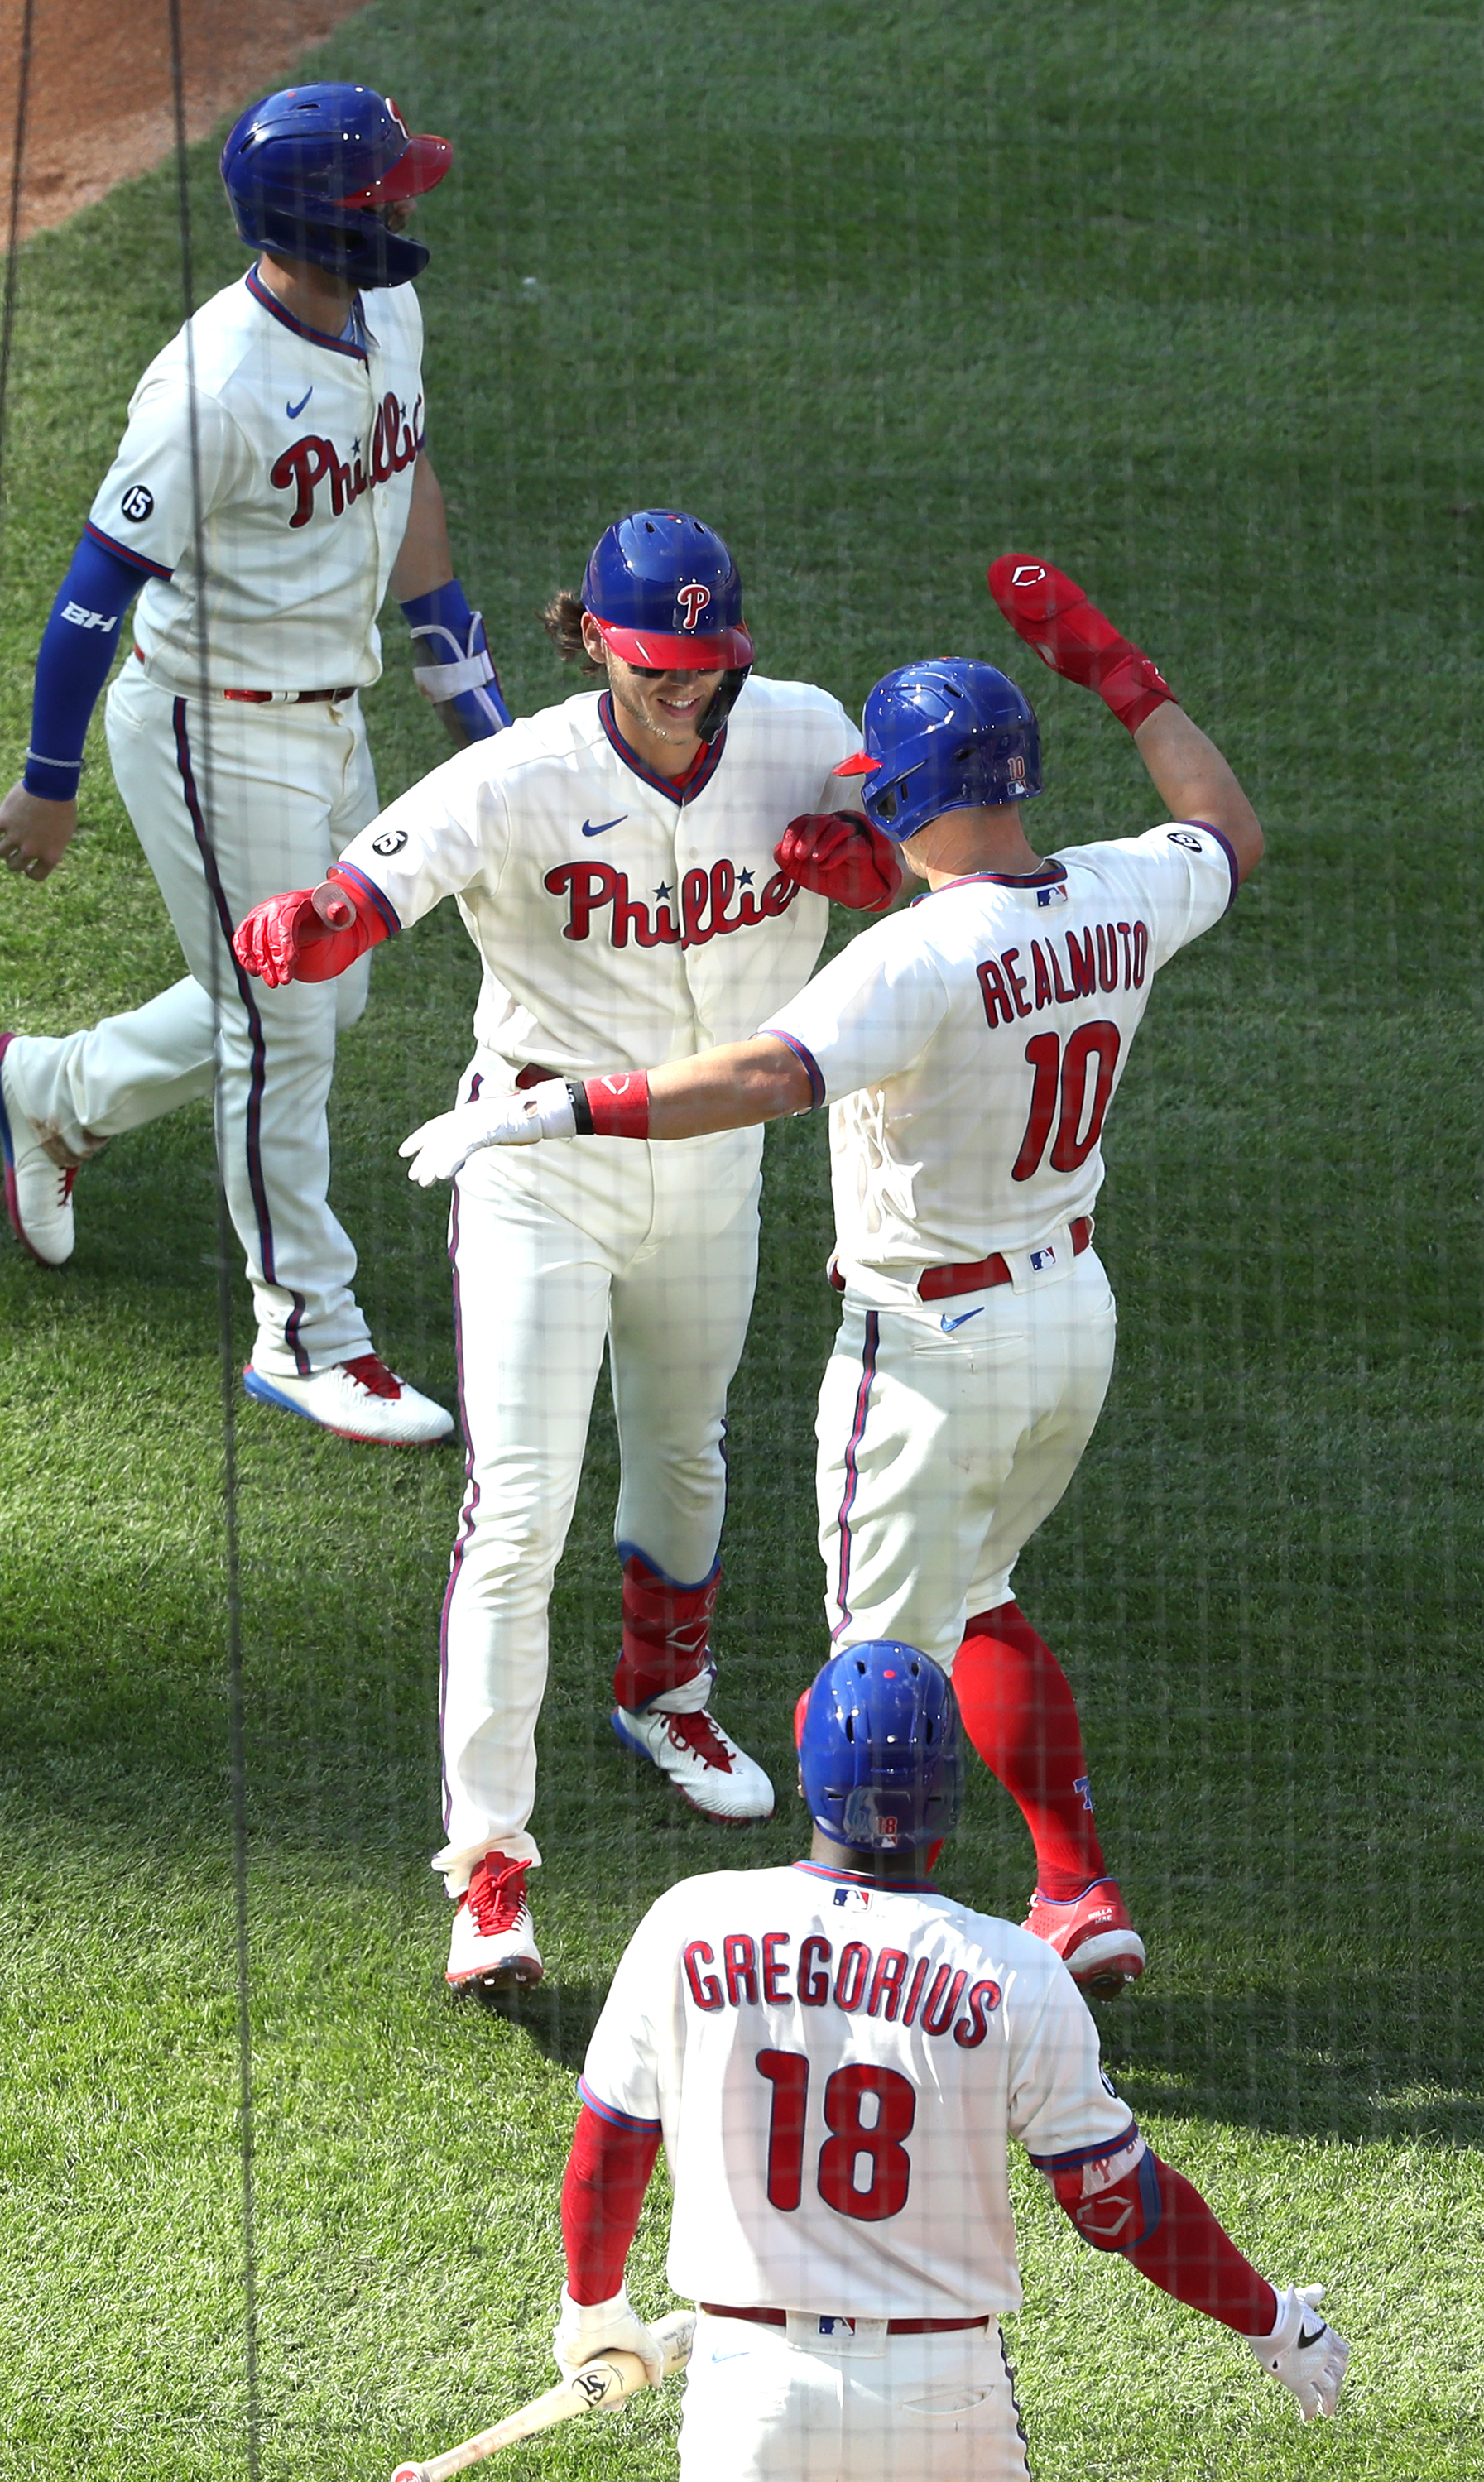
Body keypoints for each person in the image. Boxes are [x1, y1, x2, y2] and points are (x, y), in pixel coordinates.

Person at [396, 558, 1266, 1992]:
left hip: (930, 1349)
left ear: (909, 797)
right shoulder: (1129, 886)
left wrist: (556, 1105)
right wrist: (1124, 674)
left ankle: (865, 1958)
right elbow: (1224, 824)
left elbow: (753, 1074)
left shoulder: (919, 955)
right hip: (1073, 1319)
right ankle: (1077, 1885)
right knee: (981, 1591)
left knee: (874, 1679)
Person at [231, 510, 904, 1987]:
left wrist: (869, 853)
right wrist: (312, 926)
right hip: (539, 1161)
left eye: (707, 661)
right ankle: (488, 1866)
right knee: (520, 1503)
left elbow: (913, 846)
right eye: (657, 661)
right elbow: (374, 889)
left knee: (688, 1447)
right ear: (590, 635)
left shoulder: (798, 726)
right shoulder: (520, 770)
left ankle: (665, 1692)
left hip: (715, 1151)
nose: (686, 688)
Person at [0, 83, 512, 1445]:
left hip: (328, 712)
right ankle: (306, 1333)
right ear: (318, 219)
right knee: (279, 1030)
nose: (406, 208)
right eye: (385, 193)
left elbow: (407, 475)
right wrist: (50, 777)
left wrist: (463, 682)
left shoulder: (385, 310)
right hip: (209, 726)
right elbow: (98, 588)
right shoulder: (211, 388)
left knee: (316, 1007)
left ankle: (50, 1090)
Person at [544, 1643, 1347, 2482]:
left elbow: (610, 2149)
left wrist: (592, 2306)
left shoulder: (691, 1922)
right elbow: (1119, 2207)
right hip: (939, 2399)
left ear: (805, 1757)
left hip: (751, 2396)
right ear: (947, 1785)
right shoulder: (1013, 1971)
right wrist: (1270, 2318)